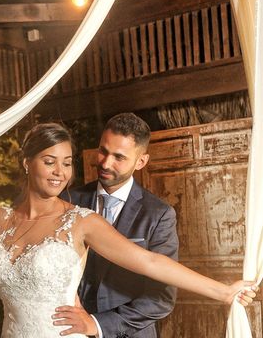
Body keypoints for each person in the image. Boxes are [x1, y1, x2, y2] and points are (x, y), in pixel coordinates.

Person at [0, 122, 256, 338]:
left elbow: (148, 260)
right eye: (50, 160)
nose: (60, 172)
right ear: (27, 163)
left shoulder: (81, 222)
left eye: (68, 162)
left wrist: (223, 291)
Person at [58, 113, 179, 338]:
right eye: (103, 151)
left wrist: (98, 324)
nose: (105, 163)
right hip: (68, 330)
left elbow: (161, 297)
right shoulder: (68, 201)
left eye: (119, 157)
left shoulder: (159, 215)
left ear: (141, 162)